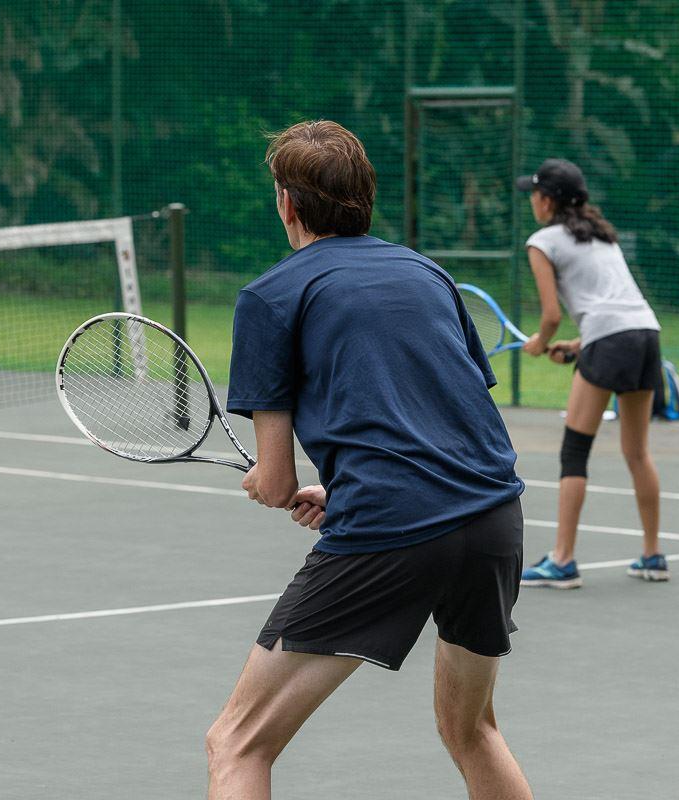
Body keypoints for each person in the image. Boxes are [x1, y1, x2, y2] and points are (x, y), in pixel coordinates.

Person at [205, 120, 532, 800]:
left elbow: (275, 482)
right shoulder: (427, 273)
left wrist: (275, 484)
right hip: (493, 519)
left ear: (286, 203)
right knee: (472, 729)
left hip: (392, 526)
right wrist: (346, 486)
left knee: (237, 744)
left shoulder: (269, 297)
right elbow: (448, 415)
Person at [515, 158, 668, 589]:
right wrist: (580, 345)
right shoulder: (603, 236)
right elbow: (617, 305)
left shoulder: (541, 242)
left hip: (611, 339)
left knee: (574, 452)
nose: (532, 200)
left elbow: (550, 315)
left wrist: (541, 342)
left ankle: (562, 560)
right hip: (645, 335)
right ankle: (653, 555)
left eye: (534, 193)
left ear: (547, 201)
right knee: (637, 452)